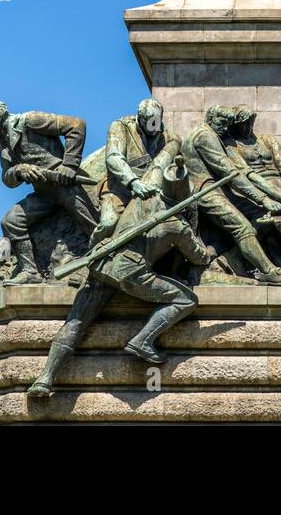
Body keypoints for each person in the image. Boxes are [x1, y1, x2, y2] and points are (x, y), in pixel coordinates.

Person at [27, 157, 211, 396]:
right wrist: (205, 249)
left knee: (76, 323)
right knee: (186, 300)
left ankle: (44, 379)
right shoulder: (177, 226)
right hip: (131, 273)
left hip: (102, 264)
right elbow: (198, 257)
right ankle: (143, 340)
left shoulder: (141, 199)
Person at [0, 100, 99, 289]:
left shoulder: (30, 120)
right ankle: (30, 273)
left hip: (65, 185)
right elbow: (7, 179)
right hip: (44, 194)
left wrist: (70, 165)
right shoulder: (3, 143)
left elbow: (76, 125)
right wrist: (19, 170)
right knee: (11, 221)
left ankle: (109, 261)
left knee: (94, 228)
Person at [182, 106, 281, 285]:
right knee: (242, 227)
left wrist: (277, 197)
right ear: (210, 119)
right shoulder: (204, 136)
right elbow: (230, 172)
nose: (225, 128)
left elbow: (241, 172)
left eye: (227, 124)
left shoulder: (215, 135)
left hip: (220, 190)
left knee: (262, 215)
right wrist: (264, 199)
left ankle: (232, 259)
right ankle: (268, 270)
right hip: (204, 193)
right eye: (221, 123)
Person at [92, 98, 180, 249]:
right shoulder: (120, 126)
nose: (154, 128)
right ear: (140, 117)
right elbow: (113, 157)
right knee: (108, 223)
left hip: (152, 190)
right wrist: (133, 182)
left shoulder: (171, 138)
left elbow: (160, 164)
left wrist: (151, 185)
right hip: (119, 190)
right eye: (149, 123)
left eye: (156, 122)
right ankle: (92, 255)